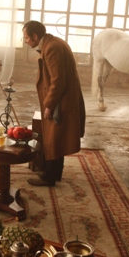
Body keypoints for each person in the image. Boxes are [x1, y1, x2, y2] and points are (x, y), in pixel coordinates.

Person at [22, 21, 86, 187]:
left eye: (26, 37)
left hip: (60, 100)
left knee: (54, 138)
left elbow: (58, 81)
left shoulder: (52, 48)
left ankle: (48, 177)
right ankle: (51, 173)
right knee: (55, 138)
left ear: (35, 36)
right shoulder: (52, 43)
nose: (25, 41)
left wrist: (49, 104)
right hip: (62, 98)